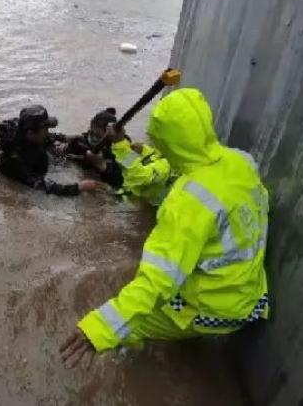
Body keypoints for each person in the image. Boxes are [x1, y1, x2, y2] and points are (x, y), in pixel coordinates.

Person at [60, 88, 269, 365]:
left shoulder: (188, 200)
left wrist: (100, 327)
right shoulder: (241, 161)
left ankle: (125, 368)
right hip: (250, 297)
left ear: (168, 141)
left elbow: (159, 279)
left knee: (125, 327)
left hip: (212, 309)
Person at [0, 105, 102, 196]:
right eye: (45, 129)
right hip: (31, 171)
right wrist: (78, 187)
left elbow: (46, 137)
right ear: (31, 133)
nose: (47, 132)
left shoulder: (25, 132)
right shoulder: (15, 161)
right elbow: (43, 186)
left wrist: (64, 139)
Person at [59, 108, 125, 190]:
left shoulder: (113, 153)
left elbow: (120, 184)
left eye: (97, 136)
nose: (93, 138)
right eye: (92, 132)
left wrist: (102, 166)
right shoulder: (79, 142)